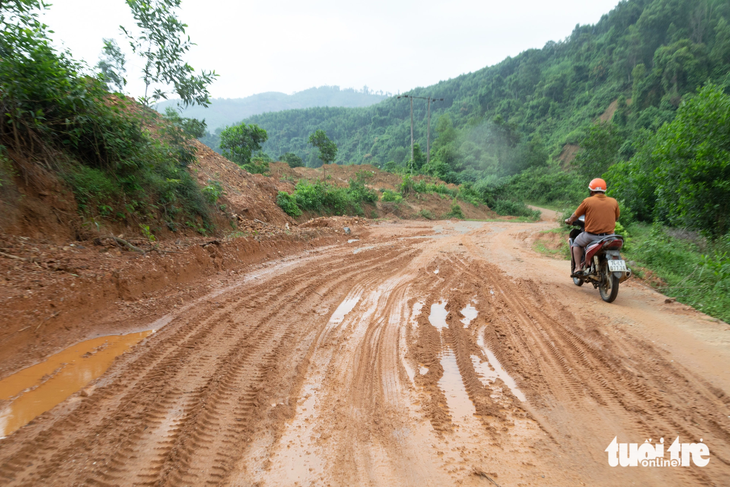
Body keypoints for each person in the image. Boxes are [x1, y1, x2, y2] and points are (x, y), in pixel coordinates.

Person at [564, 178, 620, 276]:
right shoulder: (613, 202)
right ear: (604, 190)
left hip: (592, 236)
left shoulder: (587, 201)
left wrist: (569, 221)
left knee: (576, 243)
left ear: (591, 191)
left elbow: (575, 215)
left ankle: (578, 267)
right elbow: (616, 218)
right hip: (610, 237)